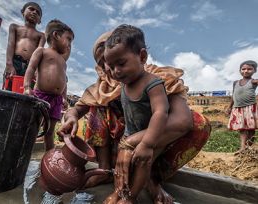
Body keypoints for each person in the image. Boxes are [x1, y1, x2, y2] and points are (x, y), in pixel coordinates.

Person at [58, 29, 210, 203]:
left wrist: (131, 143)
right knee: (96, 107)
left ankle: (152, 178)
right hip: (118, 153)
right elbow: (76, 110)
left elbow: (182, 121)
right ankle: (106, 170)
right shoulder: (100, 89)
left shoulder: (157, 79)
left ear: (140, 56)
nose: (110, 69)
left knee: (199, 123)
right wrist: (71, 117)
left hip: (149, 148)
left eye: (119, 62)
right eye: (104, 63)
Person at [24, 19, 74, 151]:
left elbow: (63, 81)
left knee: (49, 132)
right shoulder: (42, 51)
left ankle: (48, 160)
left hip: (56, 100)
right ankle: (24, 155)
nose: (69, 44)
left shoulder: (63, 61)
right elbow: (30, 68)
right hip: (41, 96)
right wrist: (27, 87)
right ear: (56, 35)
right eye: (68, 39)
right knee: (33, 128)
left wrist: (63, 97)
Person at [3, 2, 45, 90]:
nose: (34, 12)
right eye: (31, 9)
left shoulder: (41, 35)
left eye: (38, 12)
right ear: (23, 12)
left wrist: (36, 70)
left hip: (30, 66)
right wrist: (9, 64)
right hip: (15, 62)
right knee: (9, 89)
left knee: (26, 91)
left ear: (40, 20)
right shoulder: (14, 27)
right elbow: (11, 44)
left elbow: (39, 53)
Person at [227, 60, 258, 155]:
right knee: (242, 128)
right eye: (243, 69)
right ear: (240, 70)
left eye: (249, 69)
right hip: (237, 108)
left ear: (254, 70)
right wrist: (229, 107)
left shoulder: (253, 81)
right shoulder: (235, 82)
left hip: (250, 107)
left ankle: (249, 146)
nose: (246, 71)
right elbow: (233, 95)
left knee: (251, 128)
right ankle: (242, 148)